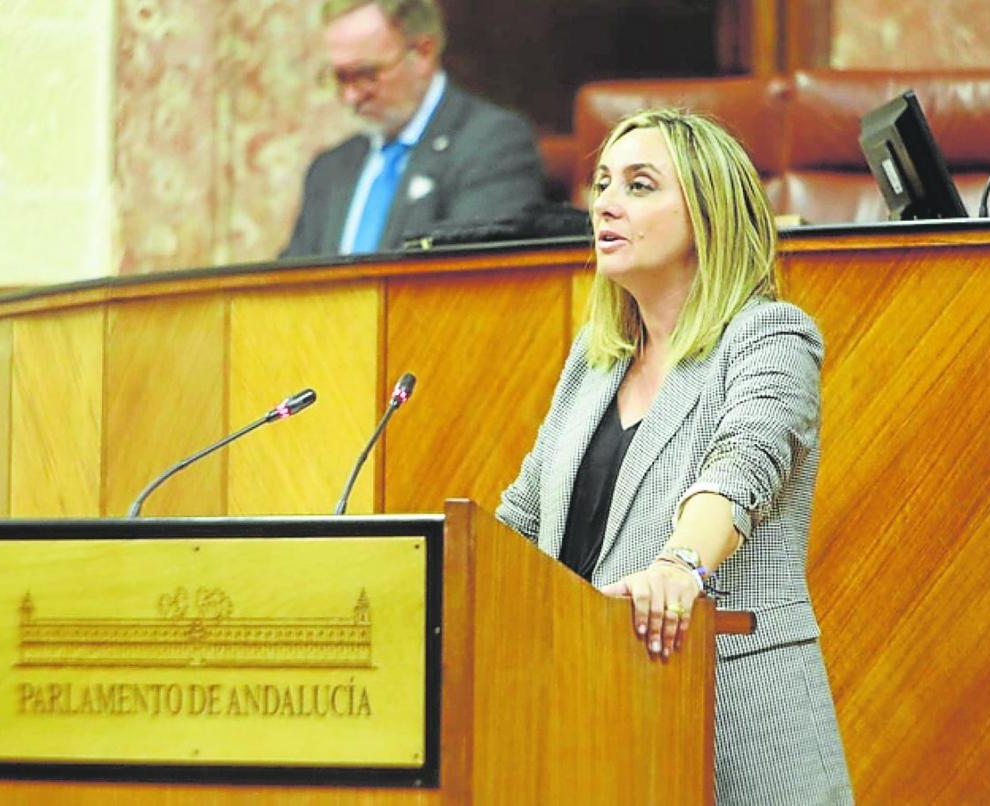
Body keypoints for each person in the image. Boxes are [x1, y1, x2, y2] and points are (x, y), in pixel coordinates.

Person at [497, 108, 854, 804]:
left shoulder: (770, 337)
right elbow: (522, 519)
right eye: (603, 183)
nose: (604, 203)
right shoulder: (595, 363)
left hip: (734, 724)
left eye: (639, 185)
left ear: (708, 215)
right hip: (599, 721)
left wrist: (679, 564)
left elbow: (742, 467)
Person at [281, 0, 546, 259]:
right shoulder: (330, 169)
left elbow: (474, 280)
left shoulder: (492, 143)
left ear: (423, 53)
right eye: (340, 77)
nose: (351, 97)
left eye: (366, 74)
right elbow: (288, 289)